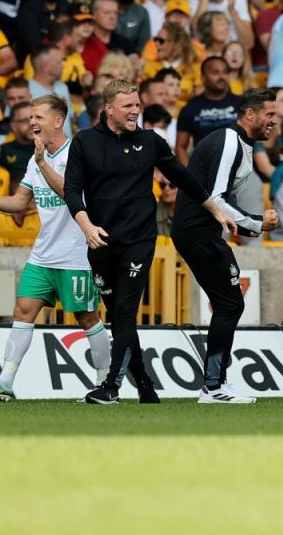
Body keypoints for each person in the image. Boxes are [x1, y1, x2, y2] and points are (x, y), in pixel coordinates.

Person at [64, 79, 236, 405]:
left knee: (125, 314)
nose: (135, 111)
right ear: (109, 109)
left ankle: (111, 387)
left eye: (137, 105)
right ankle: (144, 384)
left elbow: (184, 177)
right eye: (128, 106)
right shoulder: (84, 141)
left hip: (139, 241)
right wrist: (85, 225)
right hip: (99, 241)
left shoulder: (151, 141)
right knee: (117, 315)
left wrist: (215, 210)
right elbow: (72, 190)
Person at [0, 96, 110, 401]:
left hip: (76, 256)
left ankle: (106, 381)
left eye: (38, 117)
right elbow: (19, 202)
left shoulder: (79, 153)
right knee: (23, 310)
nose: (31, 123)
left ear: (58, 121)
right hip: (43, 255)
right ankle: (5, 380)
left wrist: (43, 162)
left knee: (87, 317)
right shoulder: (34, 159)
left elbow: (71, 193)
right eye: (30, 117)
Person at [171, 88, 278, 404]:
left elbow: (219, 198)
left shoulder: (238, 143)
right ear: (250, 115)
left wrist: (246, 224)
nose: (274, 121)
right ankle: (213, 386)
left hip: (201, 232)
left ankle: (215, 383)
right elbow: (214, 199)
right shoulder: (230, 142)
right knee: (230, 304)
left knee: (229, 303)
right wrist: (256, 223)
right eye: (269, 114)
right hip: (196, 231)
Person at [175, 56, 242, 163]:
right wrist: (190, 175)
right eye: (215, 72)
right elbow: (180, 147)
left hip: (240, 168)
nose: (221, 76)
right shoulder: (191, 107)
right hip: (205, 169)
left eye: (224, 72)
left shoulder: (241, 104)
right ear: (203, 78)